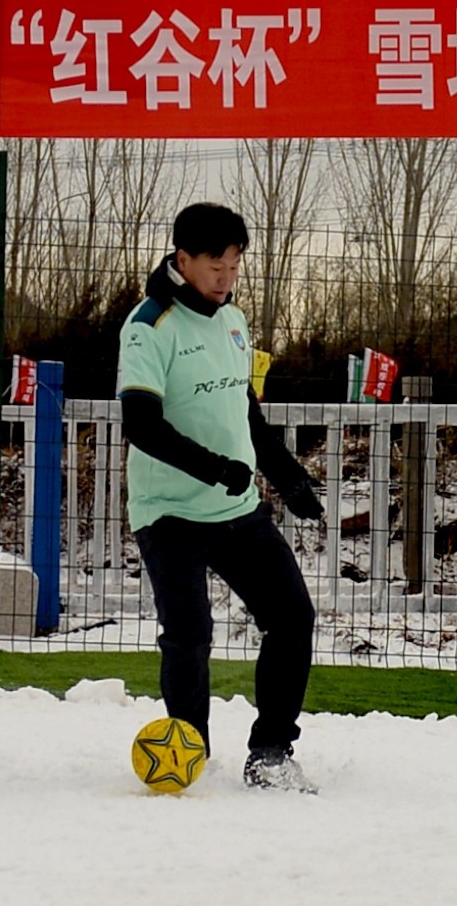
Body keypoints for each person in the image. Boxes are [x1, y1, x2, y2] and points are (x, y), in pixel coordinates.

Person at [120, 203, 326, 791]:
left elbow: (245, 410)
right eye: (216, 263)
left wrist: (285, 474)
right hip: (168, 512)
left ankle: (271, 753)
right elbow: (140, 423)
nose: (227, 275)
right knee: (189, 633)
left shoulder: (233, 321)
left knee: (292, 618)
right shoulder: (148, 325)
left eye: (235, 264)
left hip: (236, 510)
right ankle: (189, 748)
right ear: (182, 260)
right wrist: (215, 469)